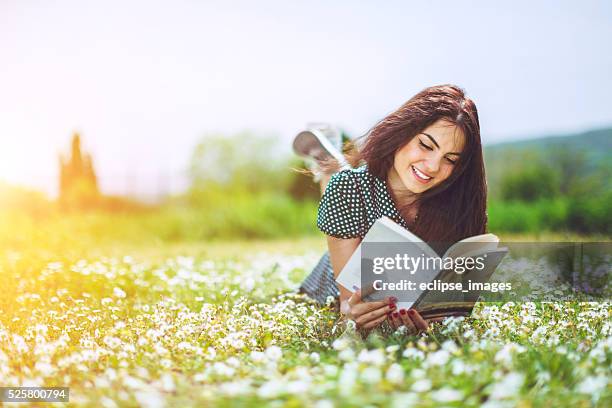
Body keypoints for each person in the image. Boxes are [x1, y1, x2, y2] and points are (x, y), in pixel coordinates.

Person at [293, 84, 487, 334]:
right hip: (336, 269)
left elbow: (453, 304)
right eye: (426, 146)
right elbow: (348, 306)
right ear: (403, 133)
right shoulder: (349, 188)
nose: (432, 166)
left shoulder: (459, 207)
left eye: (450, 160)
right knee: (342, 183)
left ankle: (331, 161)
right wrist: (353, 311)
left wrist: (435, 321)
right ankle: (327, 162)